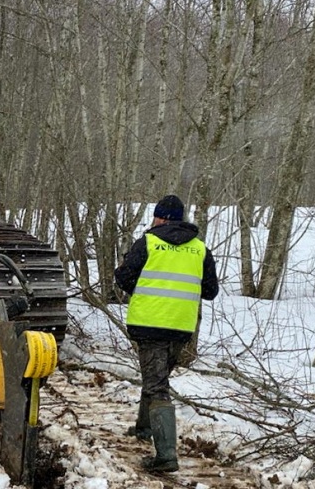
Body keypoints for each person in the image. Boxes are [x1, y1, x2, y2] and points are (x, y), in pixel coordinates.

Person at [114, 194, 219, 473]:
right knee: (157, 378)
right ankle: (143, 428)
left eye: (155, 216)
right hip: (181, 327)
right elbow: (210, 291)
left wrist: (125, 269)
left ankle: (166, 456)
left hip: (150, 324)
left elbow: (124, 279)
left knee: (156, 385)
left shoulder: (147, 243)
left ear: (160, 218)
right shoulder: (200, 249)